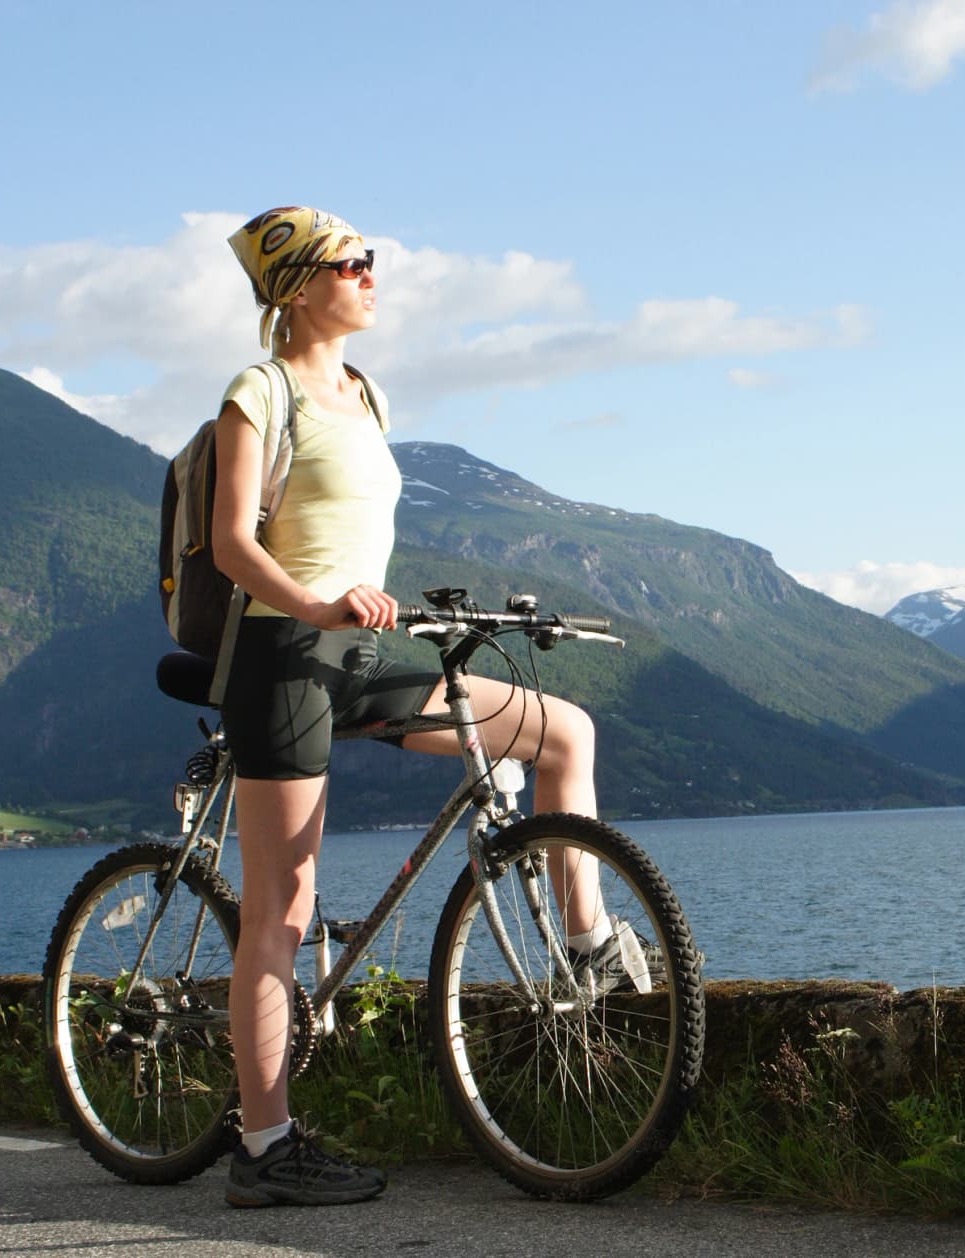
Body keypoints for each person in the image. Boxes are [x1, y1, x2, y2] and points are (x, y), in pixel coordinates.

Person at [210, 207, 612, 1207]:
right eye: (351, 262)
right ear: (300, 286)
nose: (370, 274)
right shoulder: (261, 391)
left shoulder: (367, 396)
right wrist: (316, 603)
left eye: (370, 259)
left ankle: (589, 949)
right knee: (282, 908)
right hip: (283, 655)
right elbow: (232, 544)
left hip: (363, 652)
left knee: (563, 732)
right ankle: (264, 1148)